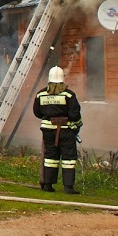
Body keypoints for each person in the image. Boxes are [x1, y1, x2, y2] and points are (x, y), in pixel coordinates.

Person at [32, 66, 83, 194]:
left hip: (48, 132)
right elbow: (75, 114)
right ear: (62, 79)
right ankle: (68, 187)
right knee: (69, 158)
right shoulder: (68, 95)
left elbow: (37, 113)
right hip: (66, 131)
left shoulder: (41, 94)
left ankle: (48, 185)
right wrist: (77, 126)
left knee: (50, 157)